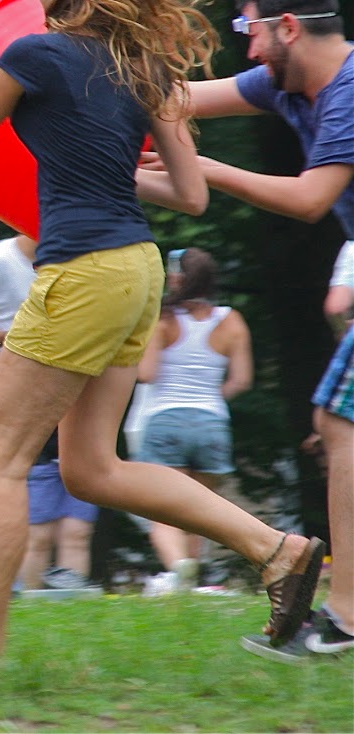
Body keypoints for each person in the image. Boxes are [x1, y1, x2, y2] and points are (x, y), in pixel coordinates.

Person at [0, 0, 323, 667]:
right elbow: (192, 196)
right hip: (140, 269)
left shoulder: (34, 56)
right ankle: (275, 548)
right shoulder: (147, 67)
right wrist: (109, 173)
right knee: (91, 467)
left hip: (82, 270)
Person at [179, 0, 354, 660]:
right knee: (337, 423)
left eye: (250, 33)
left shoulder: (347, 91)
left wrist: (208, 173)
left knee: (340, 421)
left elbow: (313, 201)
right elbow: (178, 98)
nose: (246, 53)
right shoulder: (288, 86)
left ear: (286, 27)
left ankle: (344, 621)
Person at [0, 235, 99, 594]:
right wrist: (18, 339)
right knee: (7, 487)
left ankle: (16, 585)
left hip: (43, 395)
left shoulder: (68, 260)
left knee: (33, 494)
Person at [134, 247, 251, 595]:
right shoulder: (232, 321)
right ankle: (194, 582)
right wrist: (213, 399)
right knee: (197, 511)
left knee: (161, 512)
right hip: (212, 424)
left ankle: (178, 567)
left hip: (165, 421)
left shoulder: (164, 319)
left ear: (176, 278)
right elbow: (241, 379)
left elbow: (147, 373)